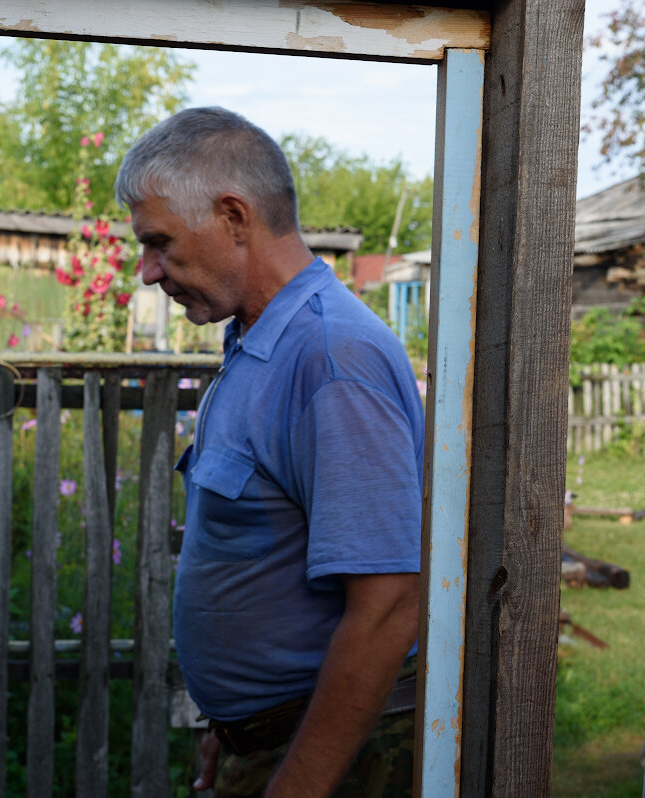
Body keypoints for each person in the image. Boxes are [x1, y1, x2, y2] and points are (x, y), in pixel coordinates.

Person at [115, 106, 425, 797]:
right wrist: (230, 735)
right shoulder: (259, 344)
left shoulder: (330, 354)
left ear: (232, 216)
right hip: (271, 743)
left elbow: (390, 605)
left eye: (159, 242)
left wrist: (294, 783)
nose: (146, 272)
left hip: (342, 758)